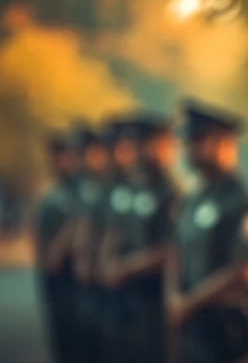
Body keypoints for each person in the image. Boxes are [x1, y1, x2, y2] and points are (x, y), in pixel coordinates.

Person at [165, 101, 248, 363]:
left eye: (199, 140)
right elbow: (176, 251)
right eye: (188, 141)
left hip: (227, 327)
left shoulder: (246, 201)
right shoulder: (192, 199)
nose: (189, 149)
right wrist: (173, 297)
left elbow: (245, 270)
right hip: (192, 326)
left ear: (225, 143)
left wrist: (188, 303)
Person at [99, 117, 177, 363]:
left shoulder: (171, 192)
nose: (144, 151)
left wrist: (127, 266)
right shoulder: (130, 187)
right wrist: (107, 264)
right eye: (140, 144)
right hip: (124, 295)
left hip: (154, 296)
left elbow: (172, 249)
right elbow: (114, 230)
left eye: (152, 144)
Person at [35, 132, 81, 363]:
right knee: (62, 345)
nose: (61, 162)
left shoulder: (80, 192)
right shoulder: (52, 196)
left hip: (75, 283)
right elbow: (44, 248)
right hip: (57, 284)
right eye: (57, 156)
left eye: (66, 156)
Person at [71, 127, 112, 363]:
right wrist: (81, 258)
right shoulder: (87, 186)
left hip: (107, 281)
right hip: (87, 280)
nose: (88, 159)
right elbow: (83, 226)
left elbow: (112, 233)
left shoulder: (112, 187)